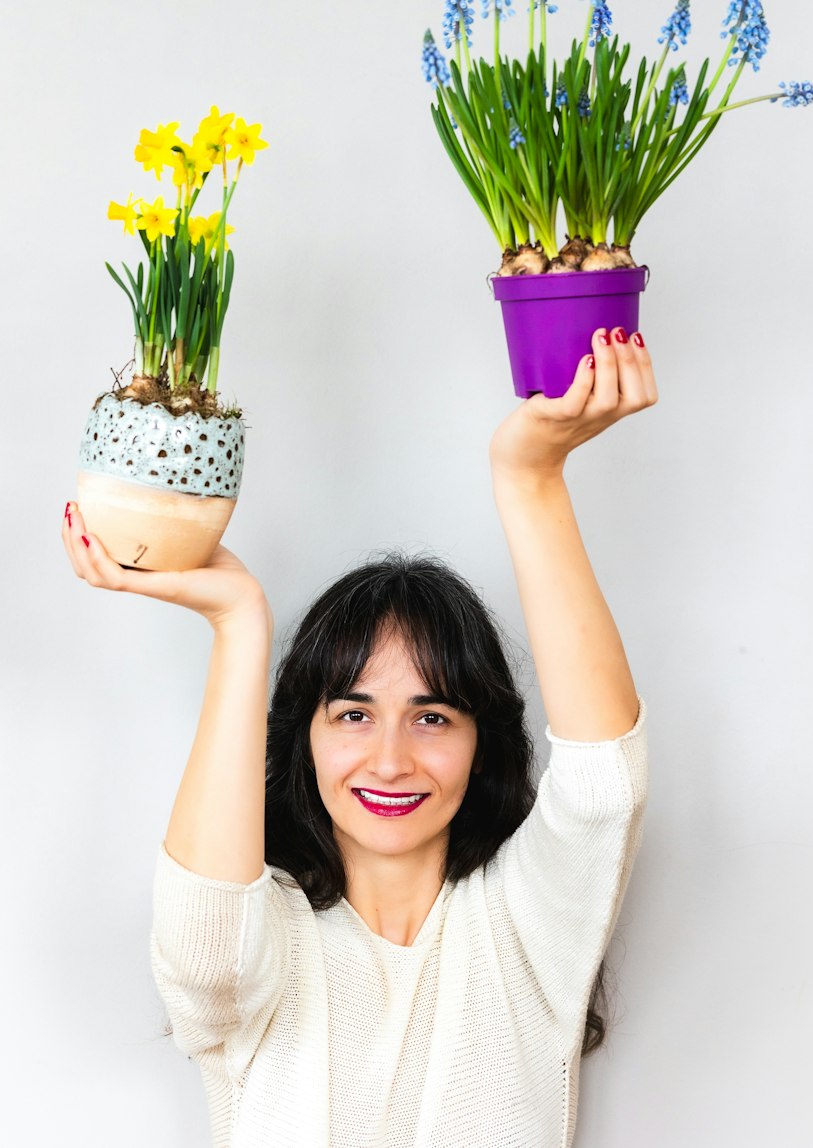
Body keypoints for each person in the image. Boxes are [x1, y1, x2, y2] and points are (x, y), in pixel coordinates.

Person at [61, 324, 657, 1147]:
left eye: (433, 716)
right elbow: (202, 949)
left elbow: (604, 787)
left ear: (483, 740)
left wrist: (531, 477)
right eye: (352, 713)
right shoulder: (268, 940)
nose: (390, 758)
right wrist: (239, 624)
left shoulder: (526, 928)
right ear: (303, 736)